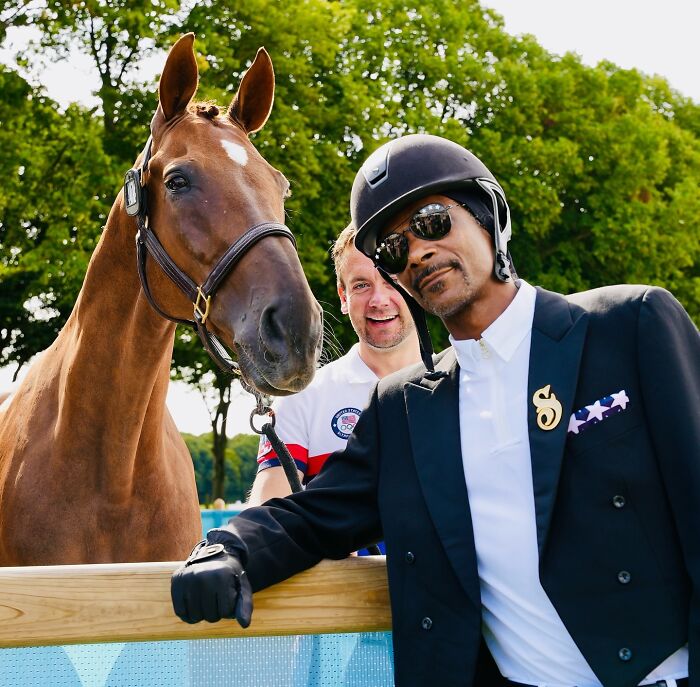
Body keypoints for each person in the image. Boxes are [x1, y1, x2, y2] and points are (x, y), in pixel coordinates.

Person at [171, 134, 700, 687]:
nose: (417, 252)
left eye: (430, 222)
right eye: (393, 250)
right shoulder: (402, 408)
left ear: (488, 214)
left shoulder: (629, 326)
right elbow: (312, 517)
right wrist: (226, 548)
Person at [248, 222, 421, 512]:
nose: (378, 300)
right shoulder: (303, 397)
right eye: (362, 285)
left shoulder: (465, 383)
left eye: (391, 280)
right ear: (343, 297)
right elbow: (267, 514)